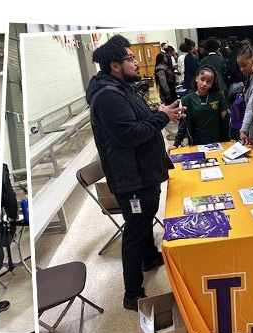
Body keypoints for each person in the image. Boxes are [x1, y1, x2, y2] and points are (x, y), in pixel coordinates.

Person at [86, 34, 186, 311]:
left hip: (141, 172)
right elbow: (130, 135)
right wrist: (163, 116)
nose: (136, 63)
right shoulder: (108, 96)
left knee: (142, 222)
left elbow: (139, 120)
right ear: (115, 65)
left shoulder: (121, 88)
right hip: (133, 179)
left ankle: (150, 257)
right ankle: (132, 294)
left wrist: (161, 112)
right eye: (130, 59)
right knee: (135, 229)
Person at [171, 65, 229, 148]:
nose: (204, 84)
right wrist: (175, 144)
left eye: (209, 82)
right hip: (196, 144)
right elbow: (183, 125)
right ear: (197, 78)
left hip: (218, 144)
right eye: (202, 79)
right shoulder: (187, 100)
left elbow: (226, 122)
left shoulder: (218, 96)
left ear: (212, 85)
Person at [227, 44, 253, 141]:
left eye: (244, 65)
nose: (242, 69)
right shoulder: (249, 78)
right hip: (250, 128)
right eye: (240, 66)